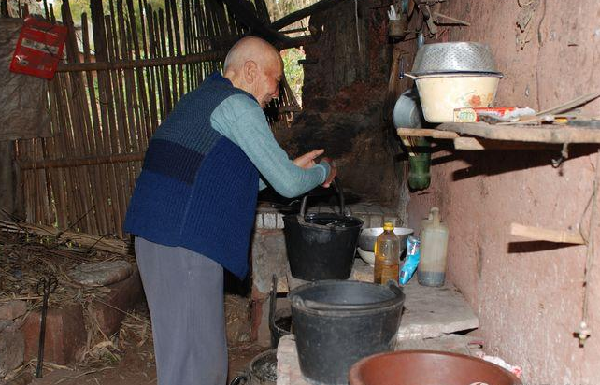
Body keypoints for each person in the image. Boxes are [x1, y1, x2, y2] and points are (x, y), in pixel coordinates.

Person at [123, 36, 336, 385]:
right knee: (198, 363)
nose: (276, 93)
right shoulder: (238, 105)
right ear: (250, 71)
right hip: (183, 242)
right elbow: (287, 185)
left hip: (160, 237)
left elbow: (224, 181)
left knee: (182, 356)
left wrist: (290, 170)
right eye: (276, 79)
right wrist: (323, 172)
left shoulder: (202, 99)